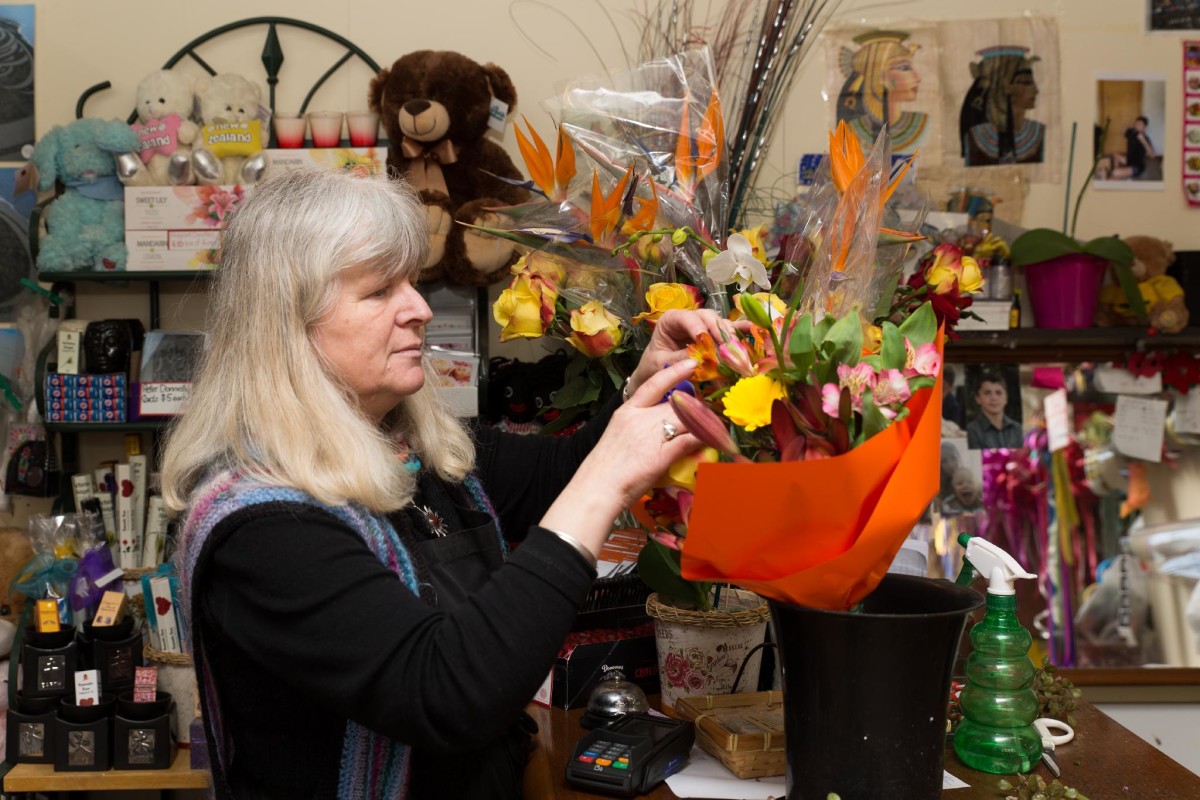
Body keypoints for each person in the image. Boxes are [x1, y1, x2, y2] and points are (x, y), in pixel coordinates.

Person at [160, 168, 724, 799]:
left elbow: (555, 473)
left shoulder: (415, 451)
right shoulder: (260, 527)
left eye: (413, 282)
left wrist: (647, 384)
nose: (421, 309)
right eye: (380, 291)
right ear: (286, 323)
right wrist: (605, 482)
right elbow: (448, 692)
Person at [835, 29, 928, 154]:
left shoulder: (925, 124)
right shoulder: (853, 131)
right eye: (904, 68)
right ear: (879, 77)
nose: (918, 78)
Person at [960, 46, 1045, 166]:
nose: (1036, 90)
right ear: (1005, 87)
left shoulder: (1038, 133)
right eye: (1026, 83)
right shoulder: (976, 138)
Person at [965, 371, 1023, 449]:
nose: (994, 398)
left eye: (998, 393)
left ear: (1006, 398)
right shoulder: (972, 431)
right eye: (987, 393)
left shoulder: (1017, 429)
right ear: (978, 399)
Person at [1096, 116, 1158, 180]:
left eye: (1139, 124)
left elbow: (1152, 156)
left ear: (1145, 127)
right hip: (1129, 160)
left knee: (1114, 173)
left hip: (1137, 167)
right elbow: (1123, 131)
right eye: (1136, 124)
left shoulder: (1146, 138)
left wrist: (1143, 141)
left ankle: (1116, 174)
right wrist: (1130, 126)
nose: (1137, 126)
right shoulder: (1132, 133)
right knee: (1115, 155)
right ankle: (1117, 173)